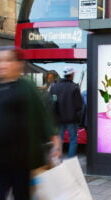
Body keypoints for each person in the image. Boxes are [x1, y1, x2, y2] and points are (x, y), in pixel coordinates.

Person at [0, 46, 61, 200]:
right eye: (0, 61)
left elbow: (42, 116)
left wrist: (54, 139)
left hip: (22, 159)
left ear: (19, 64)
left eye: (8, 60)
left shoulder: (27, 87)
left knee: (22, 195)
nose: (3, 64)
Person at [50, 67, 83, 158]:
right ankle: (70, 160)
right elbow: (79, 105)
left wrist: (54, 117)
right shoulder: (75, 87)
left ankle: (58, 160)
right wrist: (78, 118)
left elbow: (52, 103)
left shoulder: (54, 87)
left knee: (59, 140)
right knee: (73, 139)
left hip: (59, 120)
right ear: (72, 75)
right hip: (72, 120)